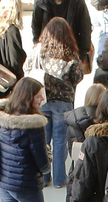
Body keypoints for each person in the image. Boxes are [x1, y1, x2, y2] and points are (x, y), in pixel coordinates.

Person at [31, 17, 86, 187]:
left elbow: (28, 67)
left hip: (43, 99)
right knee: (61, 140)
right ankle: (60, 180)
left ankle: (45, 176)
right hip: (64, 102)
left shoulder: (40, 51)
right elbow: (78, 77)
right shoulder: (70, 53)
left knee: (43, 139)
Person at [31, 0, 95, 71]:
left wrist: (82, 53)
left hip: (70, 50)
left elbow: (85, 27)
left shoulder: (77, 2)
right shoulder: (43, 2)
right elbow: (36, 24)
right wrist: (37, 43)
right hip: (49, 50)